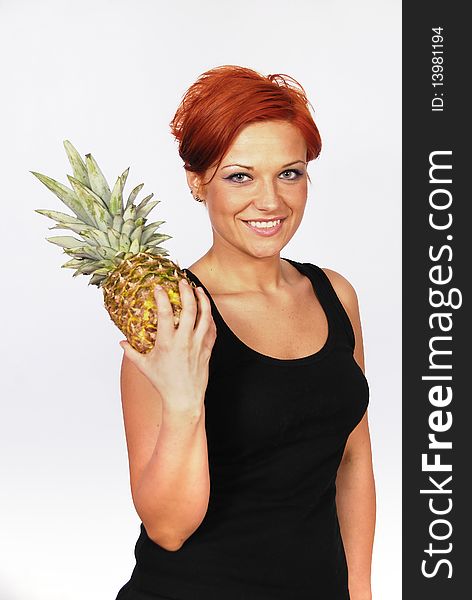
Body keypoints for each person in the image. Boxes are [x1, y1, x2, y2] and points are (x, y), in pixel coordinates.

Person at [115, 65, 376, 600]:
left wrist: (360, 587)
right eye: (240, 176)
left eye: (290, 173)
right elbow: (168, 528)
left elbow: (353, 459)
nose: (271, 201)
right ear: (196, 180)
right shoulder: (171, 315)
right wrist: (185, 401)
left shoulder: (334, 294)